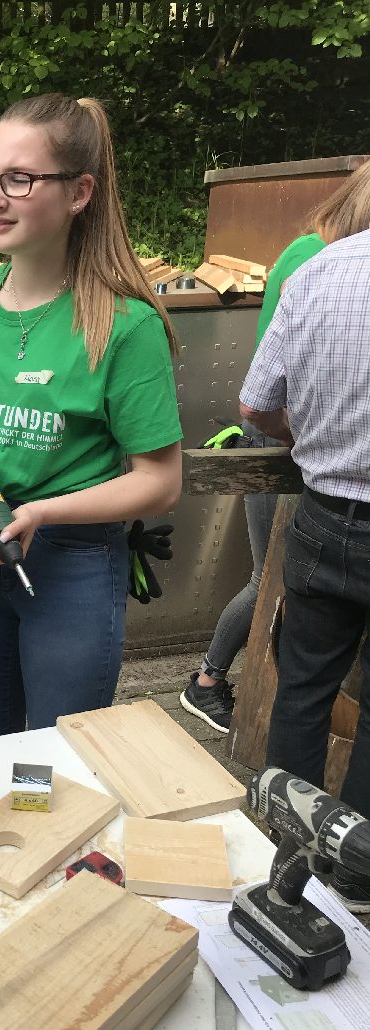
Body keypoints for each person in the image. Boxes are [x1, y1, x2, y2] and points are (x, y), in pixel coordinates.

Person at [0, 94, 182, 741]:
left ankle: (48, 817)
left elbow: (160, 481)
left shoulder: (125, 324)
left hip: (72, 565)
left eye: (18, 179)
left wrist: (41, 513)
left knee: (55, 757)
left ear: (79, 192)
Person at [180, 157, 370, 734]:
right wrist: (304, 433)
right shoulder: (313, 257)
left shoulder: (318, 256)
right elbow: (267, 393)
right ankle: (207, 680)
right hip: (285, 433)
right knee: (269, 578)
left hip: (304, 439)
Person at [239, 227, 370, 911]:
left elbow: (255, 405)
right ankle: (357, 886)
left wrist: (312, 438)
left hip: (322, 516)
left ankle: (288, 866)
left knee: (303, 690)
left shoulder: (321, 270)